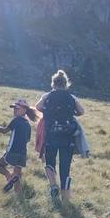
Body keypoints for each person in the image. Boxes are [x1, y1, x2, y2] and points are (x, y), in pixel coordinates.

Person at [35, 70, 85, 202]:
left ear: (53, 83)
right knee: (65, 169)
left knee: (49, 162)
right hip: (67, 138)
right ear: (66, 84)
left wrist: (48, 110)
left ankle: (53, 186)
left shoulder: (47, 96)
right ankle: (66, 200)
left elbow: (37, 107)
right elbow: (81, 111)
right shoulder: (72, 97)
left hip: (51, 135)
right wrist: (71, 112)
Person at [0, 99, 37, 193]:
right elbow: (28, 140)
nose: (14, 110)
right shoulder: (27, 124)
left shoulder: (16, 120)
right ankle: (18, 194)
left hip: (12, 151)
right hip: (23, 154)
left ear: (24, 110)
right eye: (14, 108)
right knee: (18, 175)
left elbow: (4, 131)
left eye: (17, 109)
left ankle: (9, 177)